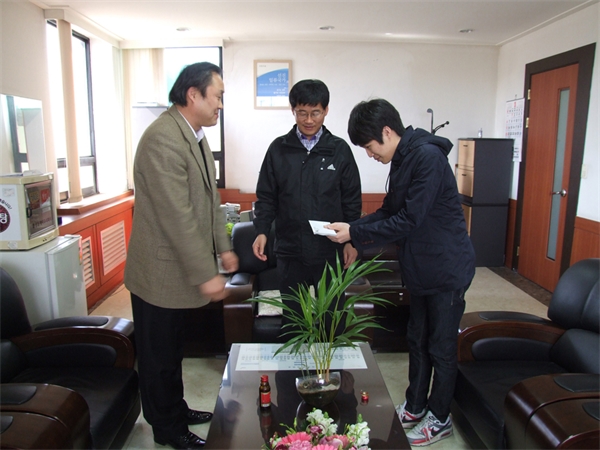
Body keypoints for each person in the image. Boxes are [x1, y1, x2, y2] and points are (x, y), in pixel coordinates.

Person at [326, 98, 475, 447]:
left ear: (387, 131)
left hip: (446, 268)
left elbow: (409, 219)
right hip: (422, 268)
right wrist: (353, 227)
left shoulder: (427, 157)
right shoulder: (404, 158)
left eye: (369, 146)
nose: (369, 154)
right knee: (417, 339)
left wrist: (355, 233)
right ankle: (416, 405)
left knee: (440, 347)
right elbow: (390, 209)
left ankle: (440, 417)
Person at [124, 62, 238, 450]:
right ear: (193, 94)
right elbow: (178, 217)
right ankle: (166, 428)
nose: (220, 104)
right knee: (158, 356)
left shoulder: (195, 135)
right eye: (217, 96)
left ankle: (176, 408)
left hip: (176, 271)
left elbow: (210, 200)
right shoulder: (162, 139)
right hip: (158, 273)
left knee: (173, 350)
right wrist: (207, 272)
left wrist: (224, 248)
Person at [252, 79, 362, 333]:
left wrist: (352, 240)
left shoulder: (339, 150)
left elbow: (351, 200)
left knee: (332, 323)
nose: (309, 120)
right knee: (294, 323)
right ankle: (295, 361)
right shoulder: (279, 149)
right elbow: (266, 196)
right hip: (290, 251)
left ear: (326, 110)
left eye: (315, 112)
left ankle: (331, 359)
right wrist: (261, 230)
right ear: (293, 110)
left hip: (330, 252)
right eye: (302, 112)